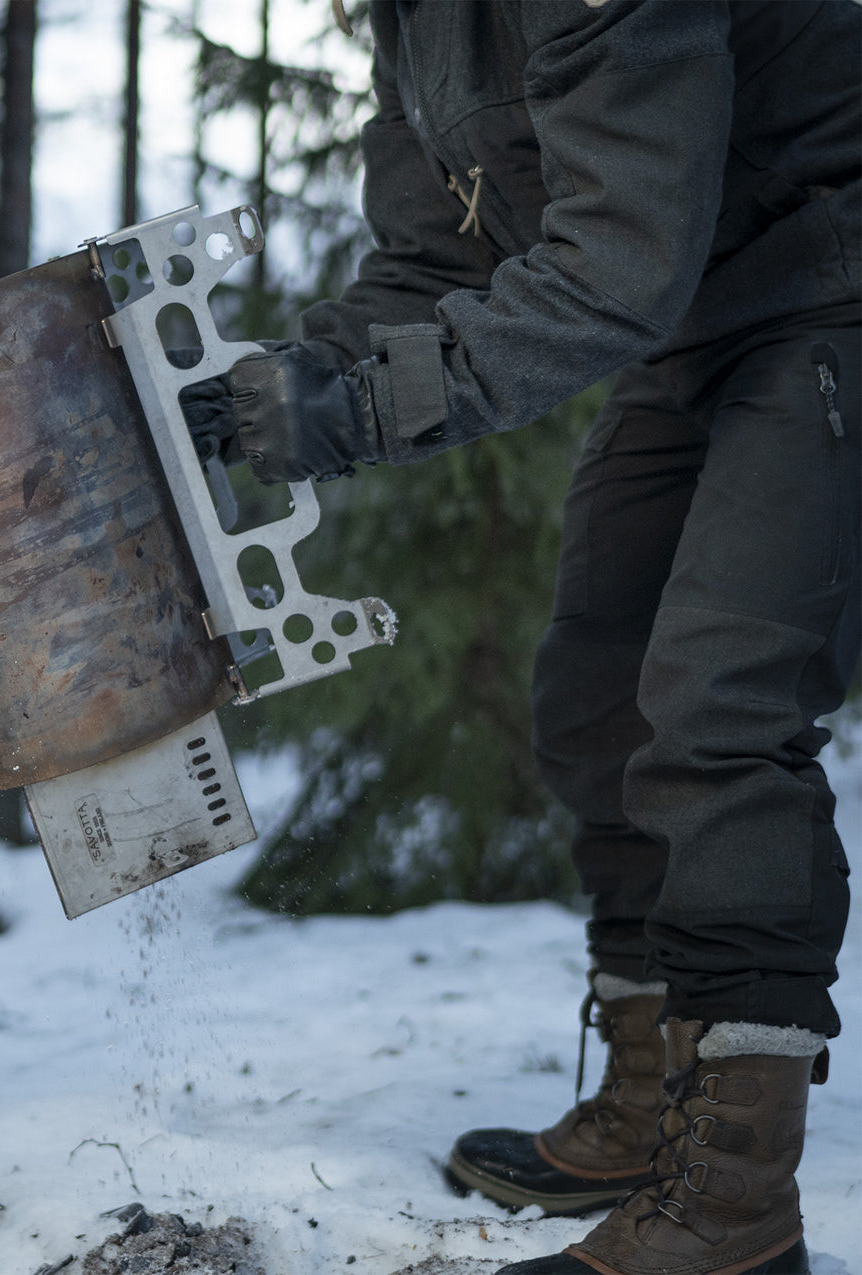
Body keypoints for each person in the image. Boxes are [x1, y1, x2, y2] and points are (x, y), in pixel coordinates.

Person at [183, 3, 860, 1273]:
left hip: (831, 296)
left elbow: (616, 269)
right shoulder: (413, 24)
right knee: (602, 702)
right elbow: (436, 263)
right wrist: (268, 386)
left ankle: (735, 1209)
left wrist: (359, 408)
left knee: (720, 712)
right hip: (692, 332)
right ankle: (658, 1099)